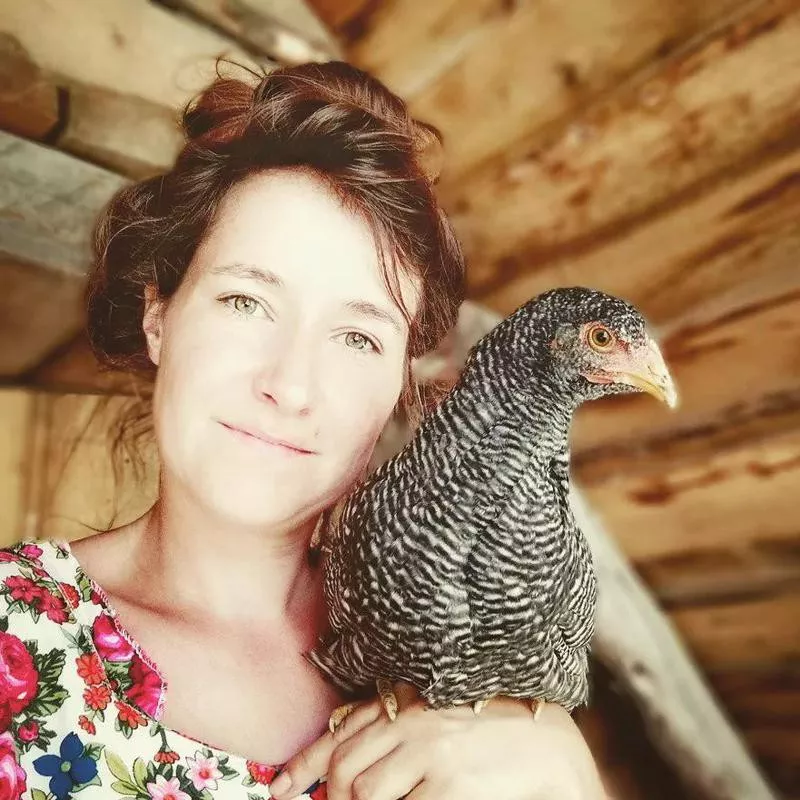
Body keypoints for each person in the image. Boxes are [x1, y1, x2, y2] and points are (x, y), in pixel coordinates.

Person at [0, 61, 607, 800]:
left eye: (358, 338)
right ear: (159, 313)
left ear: (396, 388)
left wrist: (569, 777)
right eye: (246, 301)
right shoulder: (14, 628)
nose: (289, 385)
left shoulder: (474, 690)